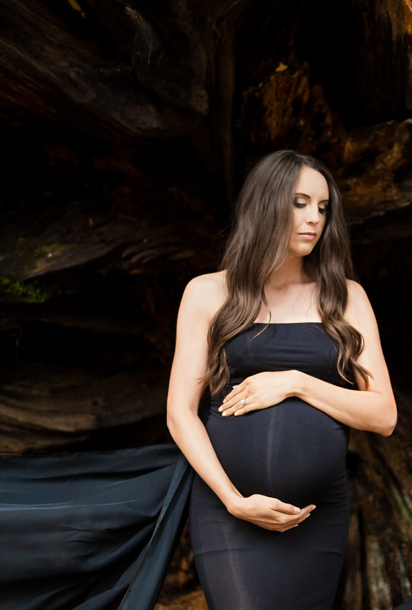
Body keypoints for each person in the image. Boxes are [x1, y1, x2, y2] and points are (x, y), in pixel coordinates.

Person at [166, 149, 397, 609]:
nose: (315, 218)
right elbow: (179, 413)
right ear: (267, 204)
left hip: (316, 515)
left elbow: (384, 415)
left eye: (323, 208)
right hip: (229, 511)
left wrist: (297, 382)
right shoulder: (208, 293)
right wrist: (233, 500)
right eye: (300, 203)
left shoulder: (345, 298)